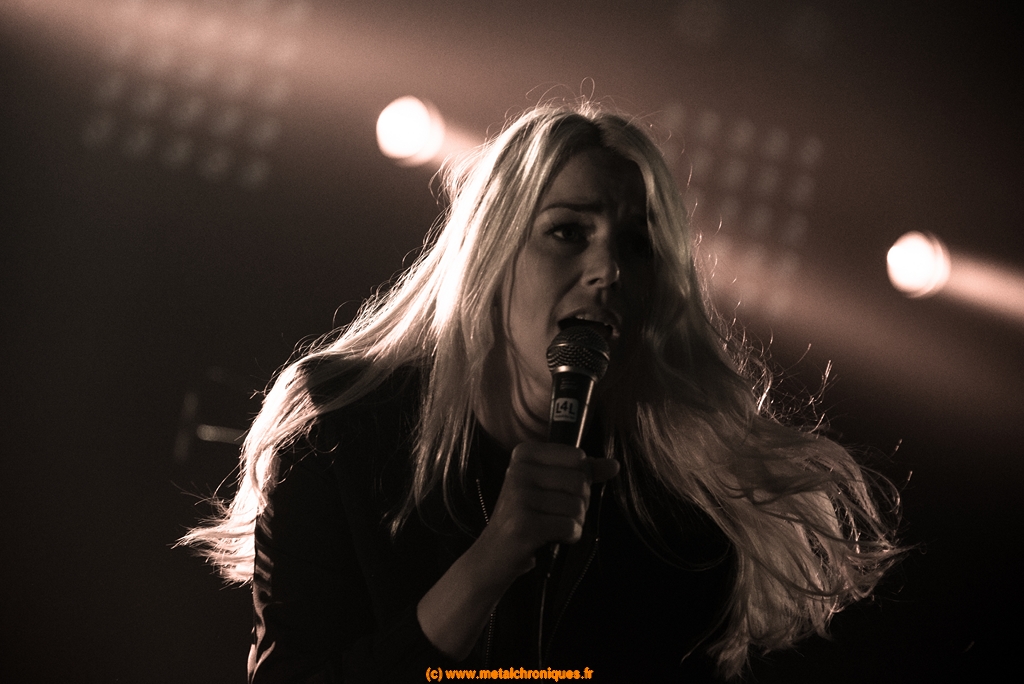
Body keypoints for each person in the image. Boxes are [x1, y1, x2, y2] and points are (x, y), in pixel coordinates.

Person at [182, 102, 902, 682]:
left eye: (636, 244)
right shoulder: (340, 426)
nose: (608, 269)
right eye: (568, 232)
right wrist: (492, 560)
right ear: (491, 255)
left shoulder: (680, 513)